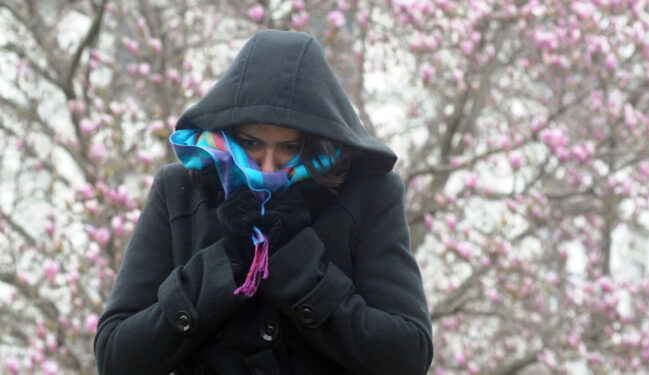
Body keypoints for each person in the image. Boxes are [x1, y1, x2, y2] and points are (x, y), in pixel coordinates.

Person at [93, 30, 433, 374]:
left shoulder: (370, 193)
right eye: (250, 143)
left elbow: (408, 353)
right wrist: (227, 265)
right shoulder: (179, 189)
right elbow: (116, 355)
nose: (267, 166)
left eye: (288, 147)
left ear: (316, 142)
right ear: (227, 131)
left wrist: (295, 262)